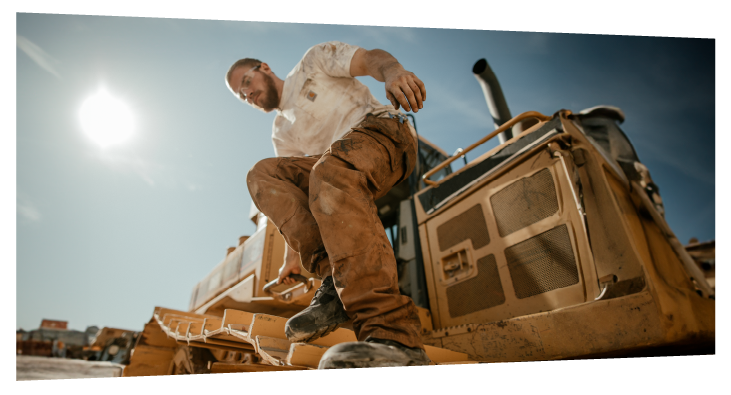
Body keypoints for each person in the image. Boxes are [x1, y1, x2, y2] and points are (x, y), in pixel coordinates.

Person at [225, 41, 430, 369]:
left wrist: (394, 73)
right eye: (240, 95)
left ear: (264, 68)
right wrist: (292, 258)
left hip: (384, 133)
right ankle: (336, 284)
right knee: (263, 175)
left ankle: (395, 336)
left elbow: (369, 58)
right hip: (335, 167)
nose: (246, 94)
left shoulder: (313, 62)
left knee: (329, 170)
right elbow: (294, 196)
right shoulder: (281, 131)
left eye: (246, 83)